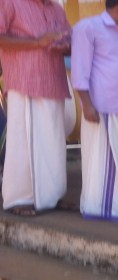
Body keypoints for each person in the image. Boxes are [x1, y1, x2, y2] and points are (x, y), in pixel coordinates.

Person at [72, 0, 118, 220]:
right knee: (104, 164)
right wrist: (87, 105)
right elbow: (80, 70)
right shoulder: (88, 28)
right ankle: (101, 209)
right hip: (103, 109)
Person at [0, 0, 71, 216]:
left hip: (54, 81)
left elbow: (69, 41)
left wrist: (65, 46)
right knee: (23, 144)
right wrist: (38, 42)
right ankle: (18, 198)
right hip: (25, 82)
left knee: (53, 143)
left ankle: (52, 196)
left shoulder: (57, 9)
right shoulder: (10, 3)